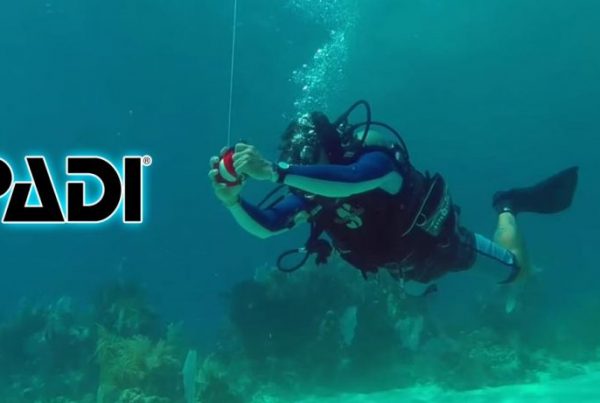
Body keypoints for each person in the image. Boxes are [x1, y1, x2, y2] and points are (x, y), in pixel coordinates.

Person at [208, 101, 578, 306]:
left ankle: (507, 206)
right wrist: (232, 202)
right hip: (405, 271)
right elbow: (267, 227)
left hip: (444, 247)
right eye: (298, 163)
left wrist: (276, 172)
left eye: (310, 160)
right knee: (415, 293)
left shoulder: (376, 157)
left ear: (331, 150)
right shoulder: (311, 193)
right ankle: (424, 290)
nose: (305, 172)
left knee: (517, 273)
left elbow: (354, 180)